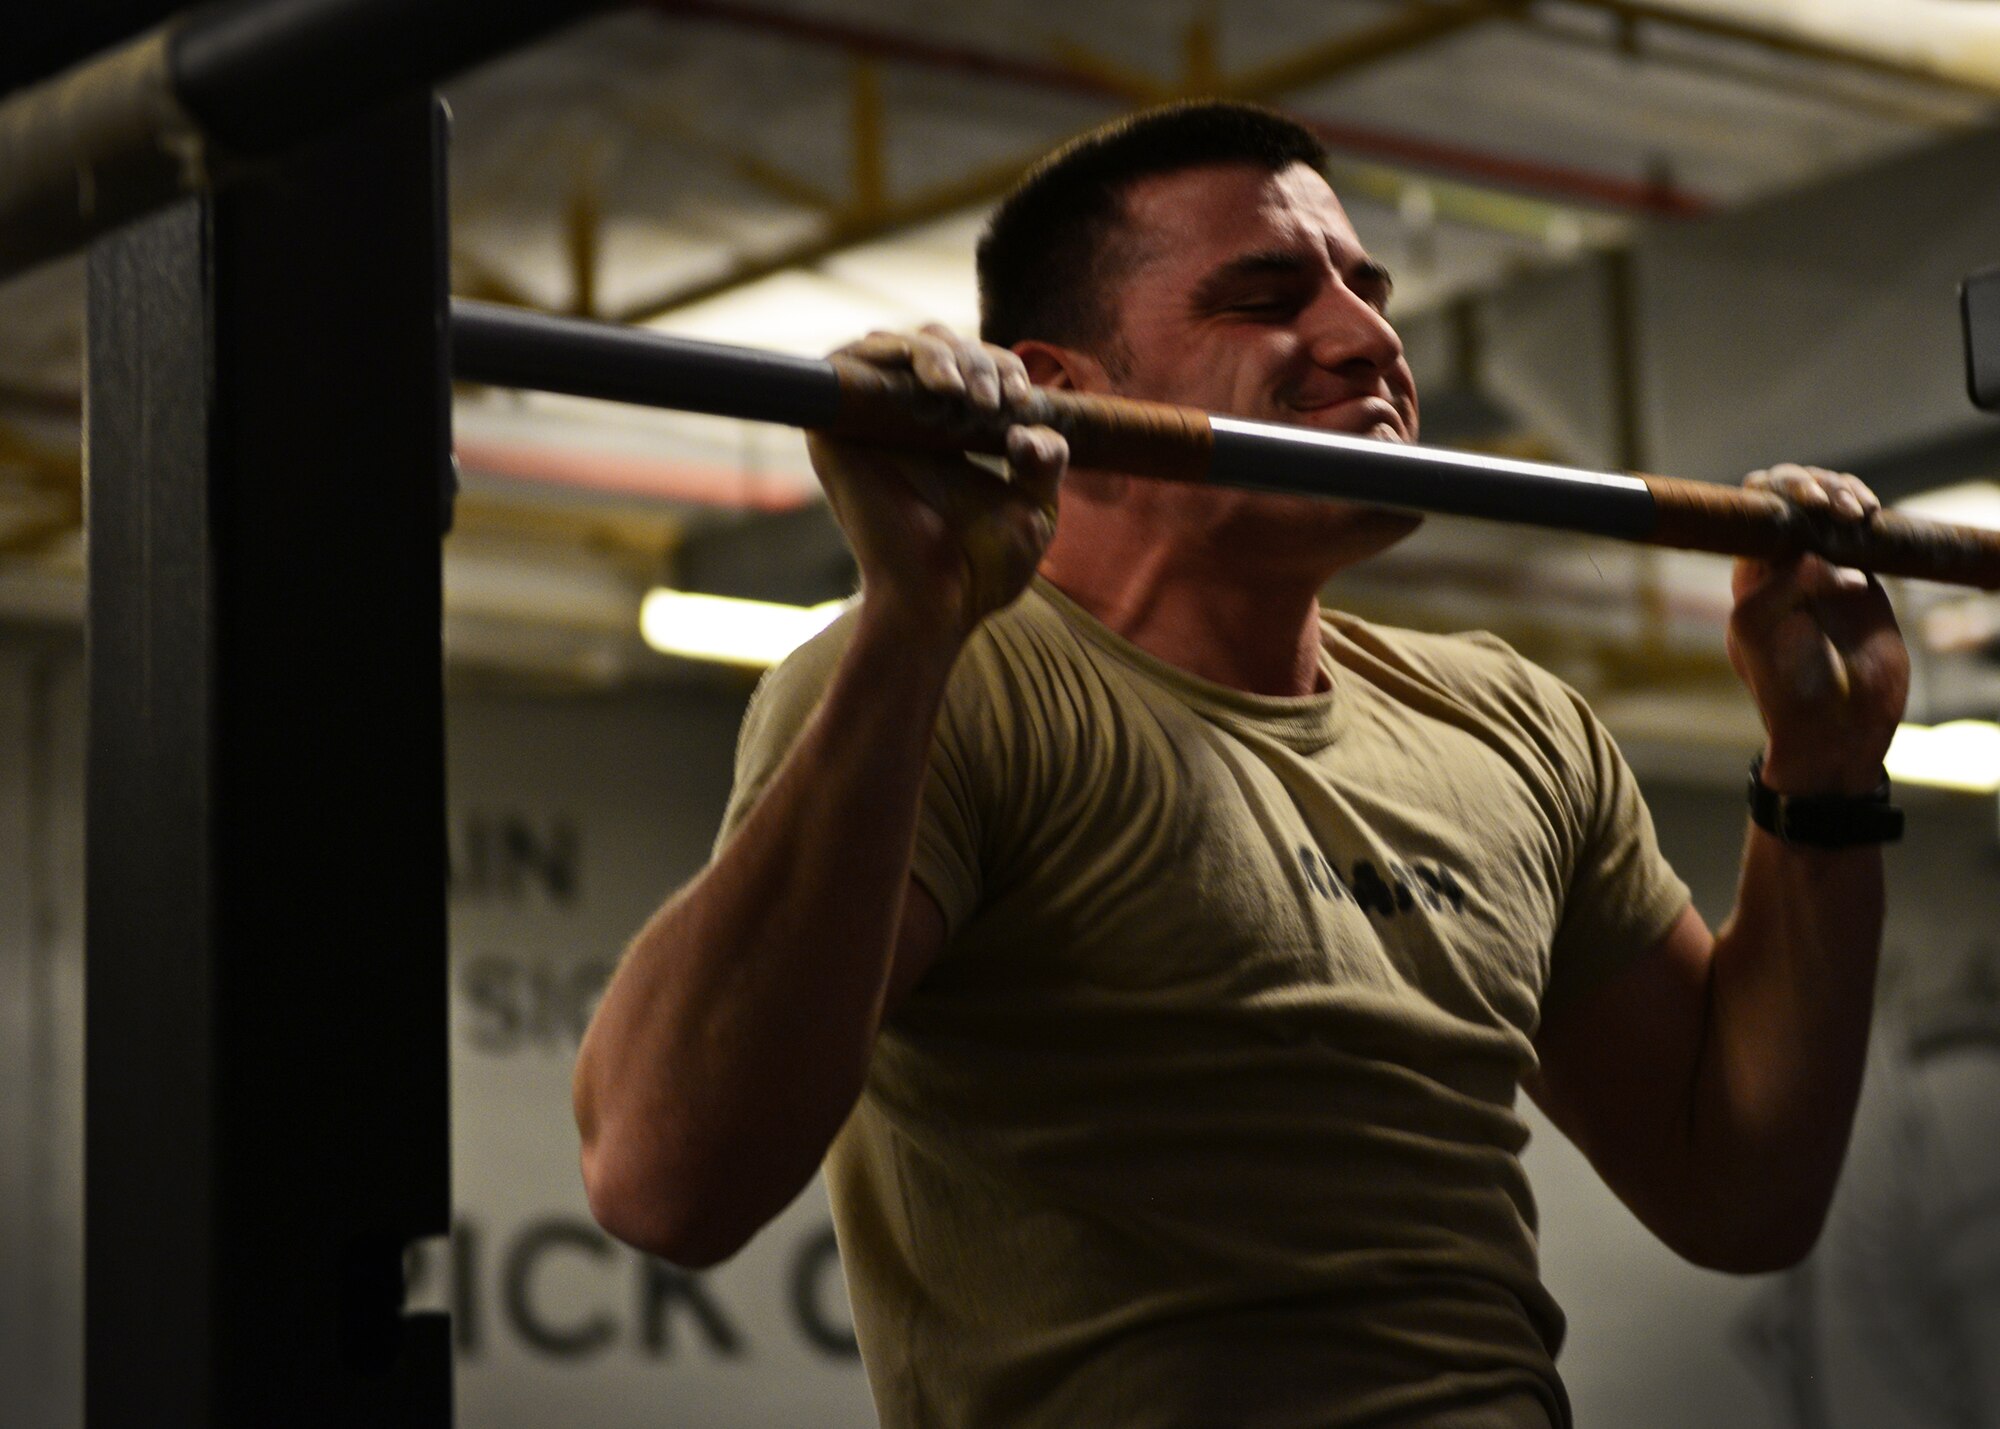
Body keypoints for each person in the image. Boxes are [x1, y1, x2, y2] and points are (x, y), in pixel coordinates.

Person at [571, 102, 1911, 1428]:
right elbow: (662, 1178)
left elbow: (1740, 1187)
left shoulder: (1512, 724)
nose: (1367, 337)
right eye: (1266, 298)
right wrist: (911, 622)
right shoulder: (964, 682)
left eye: (1365, 289)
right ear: (1070, 393)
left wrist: (1828, 765)